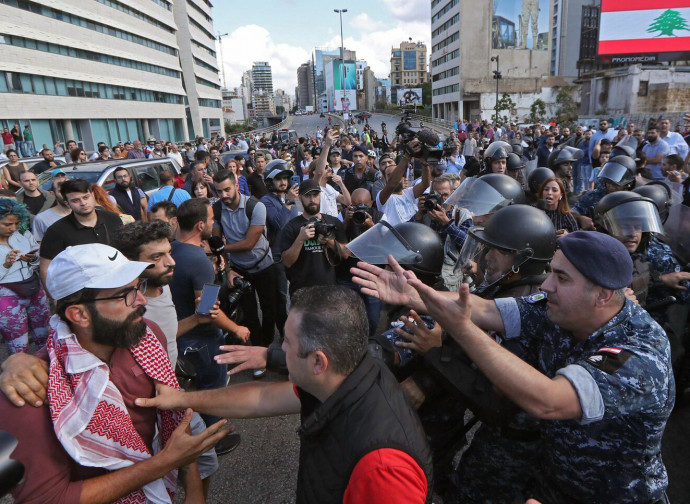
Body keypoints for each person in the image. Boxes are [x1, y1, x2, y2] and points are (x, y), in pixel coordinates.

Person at [351, 231, 674, 504]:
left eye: (561, 278)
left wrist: (462, 330)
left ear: (602, 296)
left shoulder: (642, 353)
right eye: (550, 272)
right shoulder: (555, 308)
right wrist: (419, 295)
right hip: (552, 484)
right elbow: (486, 309)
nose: (546, 286)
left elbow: (548, 400)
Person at [135, 285, 433, 504]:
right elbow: (261, 399)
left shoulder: (383, 467)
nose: (277, 352)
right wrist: (181, 398)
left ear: (318, 362)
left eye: (286, 343)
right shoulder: (347, 373)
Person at [0, 243, 228, 503]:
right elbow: (47, 498)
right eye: (126, 294)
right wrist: (165, 463)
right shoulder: (32, 393)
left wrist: (195, 492)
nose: (142, 300)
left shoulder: (147, 336)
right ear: (79, 314)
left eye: (138, 287)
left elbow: (176, 417)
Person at [171, 198, 250, 426]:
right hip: (201, 339)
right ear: (200, 226)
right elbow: (207, 310)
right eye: (211, 219)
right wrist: (237, 329)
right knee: (212, 392)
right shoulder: (198, 261)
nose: (213, 222)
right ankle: (214, 437)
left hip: (179, 335)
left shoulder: (171, 249)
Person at [211, 169, 279, 358]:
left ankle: (266, 344)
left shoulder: (255, 206)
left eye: (227, 190)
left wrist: (222, 249)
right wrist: (227, 263)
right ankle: (258, 349)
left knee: (269, 309)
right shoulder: (216, 210)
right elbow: (216, 243)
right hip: (240, 270)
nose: (223, 195)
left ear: (236, 185)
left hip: (264, 265)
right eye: (218, 191)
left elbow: (249, 243)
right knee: (249, 313)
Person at [39, 179, 123, 291]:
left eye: (86, 197)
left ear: (93, 195)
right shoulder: (56, 231)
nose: (83, 203)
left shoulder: (113, 219)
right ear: (67, 203)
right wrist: (54, 297)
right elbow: (46, 267)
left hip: (117, 285)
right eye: (75, 200)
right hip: (82, 293)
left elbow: (124, 250)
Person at [278, 179, 347, 296]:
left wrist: (329, 240)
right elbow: (287, 262)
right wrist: (300, 238)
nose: (312, 200)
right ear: (300, 198)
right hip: (301, 291)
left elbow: (345, 254)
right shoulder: (291, 226)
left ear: (321, 196)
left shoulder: (333, 222)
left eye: (315, 195)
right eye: (307, 196)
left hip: (330, 290)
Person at [0, 199, 50, 354]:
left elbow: (38, 259)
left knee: (45, 335)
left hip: (34, 287)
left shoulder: (23, 234)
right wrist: (6, 265)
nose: (13, 228)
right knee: (18, 344)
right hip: (6, 294)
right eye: (7, 225)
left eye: (16, 223)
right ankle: (22, 374)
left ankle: (48, 370)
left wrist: (32, 259)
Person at [32, 170, 71, 242]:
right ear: (52, 194)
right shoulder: (41, 219)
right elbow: (38, 244)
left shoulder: (85, 212)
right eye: (61, 191)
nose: (66, 194)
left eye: (69, 190)